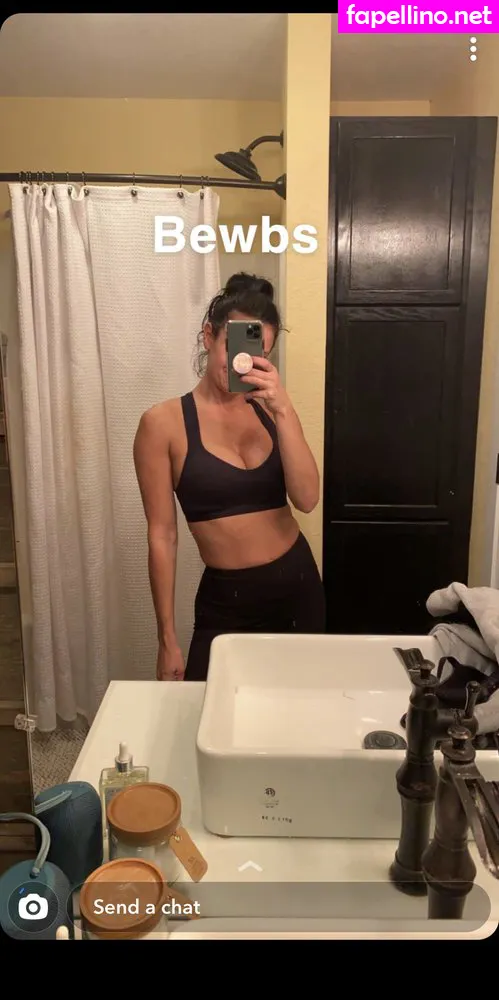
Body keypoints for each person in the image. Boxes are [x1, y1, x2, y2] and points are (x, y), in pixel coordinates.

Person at [133, 272, 326, 682]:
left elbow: (307, 499)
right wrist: (166, 638)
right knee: (210, 714)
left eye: (258, 352)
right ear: (209, 336)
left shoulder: (271, 411)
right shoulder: (163, 424)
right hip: (228, 603)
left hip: (298, 587)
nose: (243, 362)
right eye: (233, 346)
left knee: (298, 706)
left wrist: (284, 409)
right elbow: (162, 535)